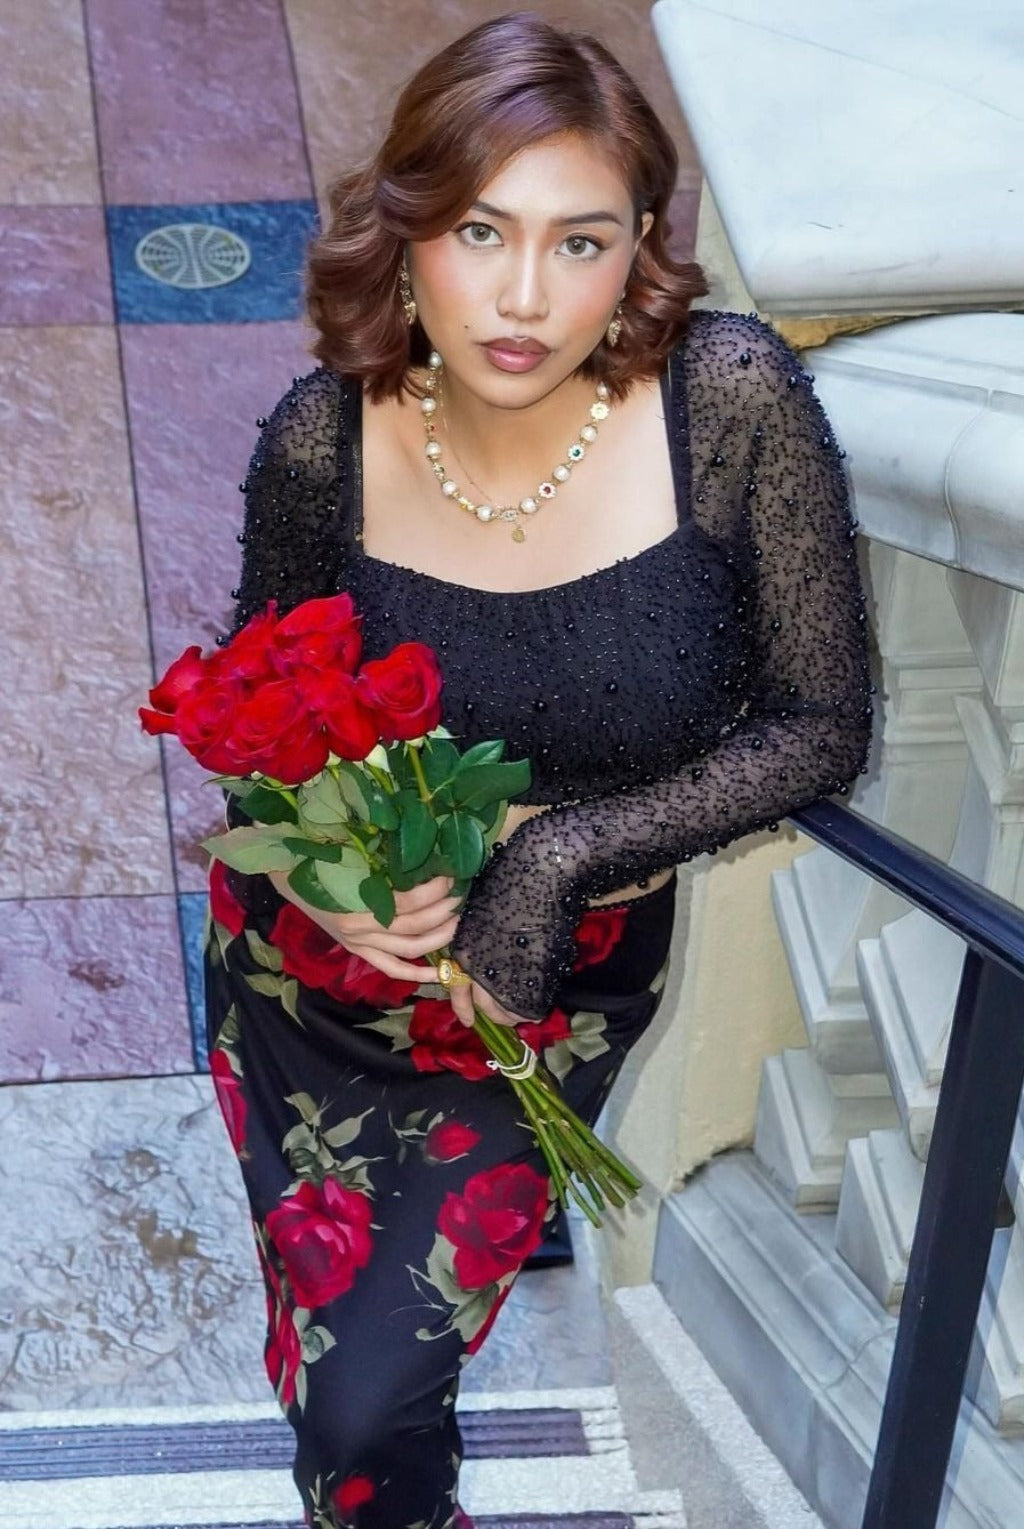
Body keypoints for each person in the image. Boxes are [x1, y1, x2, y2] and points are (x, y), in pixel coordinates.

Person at [203, 11, 872, 1528]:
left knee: (375, 1386)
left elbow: (821, 723)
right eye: (479, 233)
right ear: (404, 233)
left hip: (549, 988)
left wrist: (556, 859)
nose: (523, 298)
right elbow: (254, 716)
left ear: (639, 252)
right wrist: (325, 880)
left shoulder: (731, 407)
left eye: (581, 243)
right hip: (319, 977)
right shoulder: (322, 440)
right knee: (349, 1391)